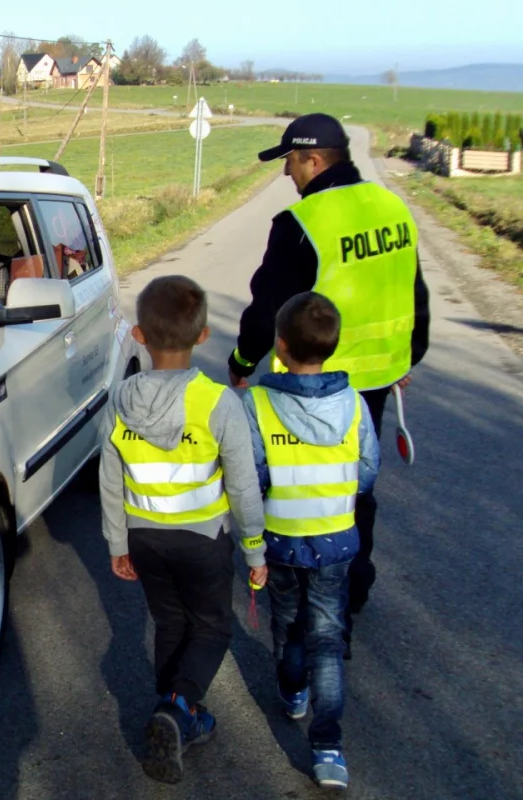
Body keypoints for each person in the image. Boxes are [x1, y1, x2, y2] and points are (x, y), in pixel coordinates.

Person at [227, 113, 430, 642]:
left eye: (290, 162)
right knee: (357, 482)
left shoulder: (302, 223)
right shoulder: (392, 206)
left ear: (314, 161)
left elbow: (267, 308)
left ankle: (299, 579)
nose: (286, 174)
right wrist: (409, 358)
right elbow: (415, 291)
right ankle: (353, 580)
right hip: (378, 379)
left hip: (316, 380)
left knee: (302, 483)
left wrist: (242, 364)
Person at [99, 275, 268, 785]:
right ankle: (177, 709)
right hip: (204, 541)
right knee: (213, 627)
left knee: (171, 622)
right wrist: (256, 550)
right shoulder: (218, 403)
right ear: (203, 336)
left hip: (147, 539)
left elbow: (111, 476)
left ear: (139, 336)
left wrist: (117, 542)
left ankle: (171, 712)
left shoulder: (120, 399)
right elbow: (242, 487)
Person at [242, 291, 380, 791]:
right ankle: (328, 749)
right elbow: (366, 475)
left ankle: (292, 688)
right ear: (333, 347)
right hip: (337, 543)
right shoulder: (355, 404)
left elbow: (251, 475)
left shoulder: (257, 402)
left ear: (279, 346)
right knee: (328, 635)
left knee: (286, 620)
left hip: (280, 540)